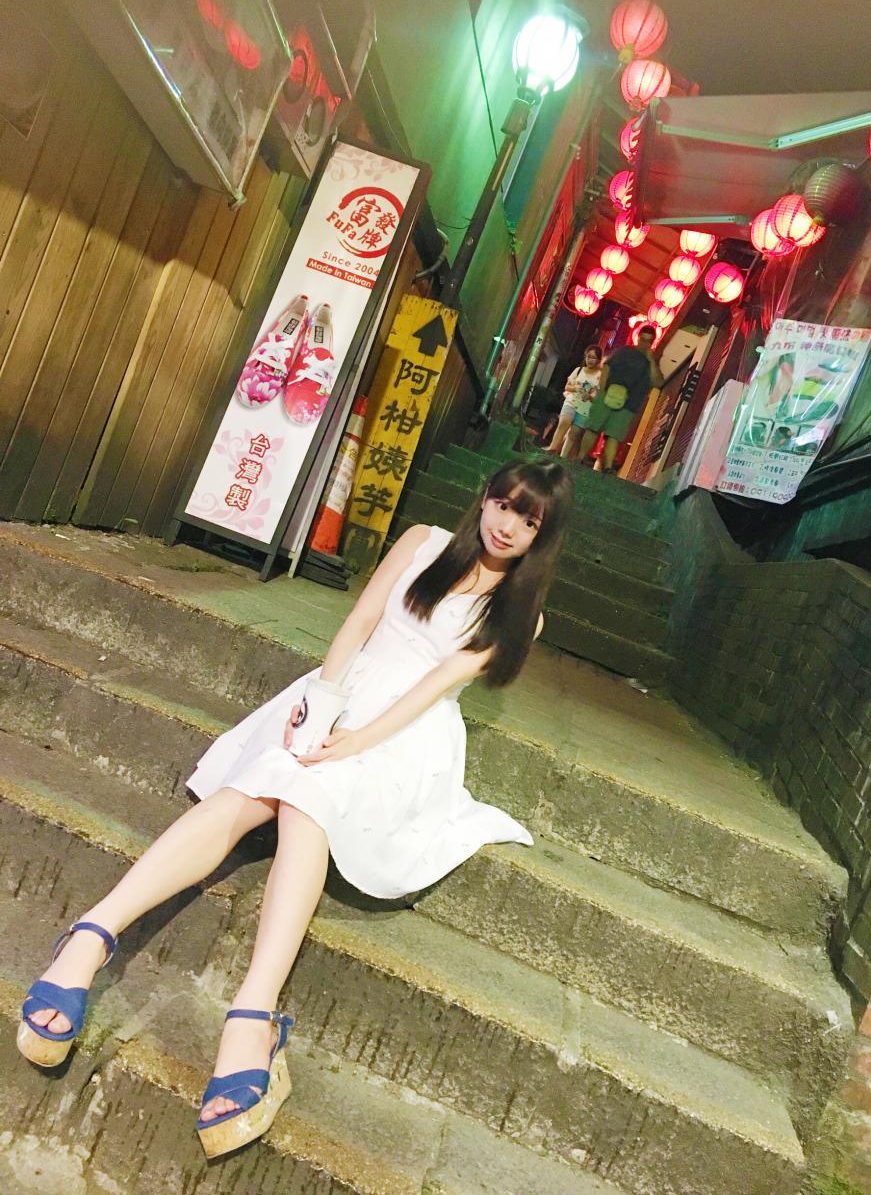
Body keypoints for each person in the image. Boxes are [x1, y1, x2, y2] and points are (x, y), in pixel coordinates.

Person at [16, 460, 572, 1159]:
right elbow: (361, 620)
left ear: (542, 536)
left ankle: (251, 1014)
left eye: (529, 520)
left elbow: (434, 686)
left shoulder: (521, 613)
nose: (508, 524)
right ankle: (92, 936)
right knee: (250, 792)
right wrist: (324, 703)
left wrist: (355, 740)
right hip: (341, 691)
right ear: (484, 497)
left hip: (406, 736)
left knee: (309, 802)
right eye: (504, 504)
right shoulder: (425, 542)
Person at [581, 326, 664, 472]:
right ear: (638, 338)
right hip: (608, 394)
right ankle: (580, 457)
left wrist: (651, 360)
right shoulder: (625, 351)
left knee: (614, 435)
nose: (644, 344)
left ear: (652, 343)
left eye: (648, 341)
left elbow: (658, 382)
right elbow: (607, 367)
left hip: (629, 404)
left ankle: (607, 467)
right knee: (593, 427)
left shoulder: (651, 362)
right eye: (643, 340)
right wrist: (602, 390)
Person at [543, 345, 604, 456]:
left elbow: (598, 395)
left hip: (585, 407)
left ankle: (563, 457)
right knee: (564, 423)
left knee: (574, 433)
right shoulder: (579, 370)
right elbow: (567, 387)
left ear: (599, 360)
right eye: (588, 357)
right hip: (572, 400)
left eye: (593, 358)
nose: (590, 360)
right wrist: (575, 388)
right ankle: (552, 448)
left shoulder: (600, 376)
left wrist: (590, 397)